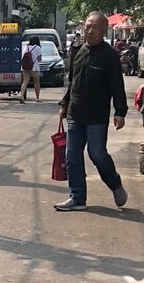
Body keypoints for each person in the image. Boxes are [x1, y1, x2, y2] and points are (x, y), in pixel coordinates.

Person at [55, 11, 128, 212]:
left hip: (97, 116)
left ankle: (115, 184)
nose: (89, 30)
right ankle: (77, 197)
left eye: (94, 27)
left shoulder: (110, 55)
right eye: (87, 26)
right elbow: (73, 83)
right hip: (75, 113)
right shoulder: (78, 51)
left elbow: (116, 86)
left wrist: (120, 111)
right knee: (72, 157)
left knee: (97, 155)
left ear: (104, 30)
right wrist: (65, 104)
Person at [20, 35, 42, 103]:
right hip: (34, 68)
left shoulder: (26, 47)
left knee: (25, 82)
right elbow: (39, 59)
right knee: (37, 83)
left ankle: (21, 96)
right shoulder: (38, 48)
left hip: (25, 67)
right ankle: (37, 98)